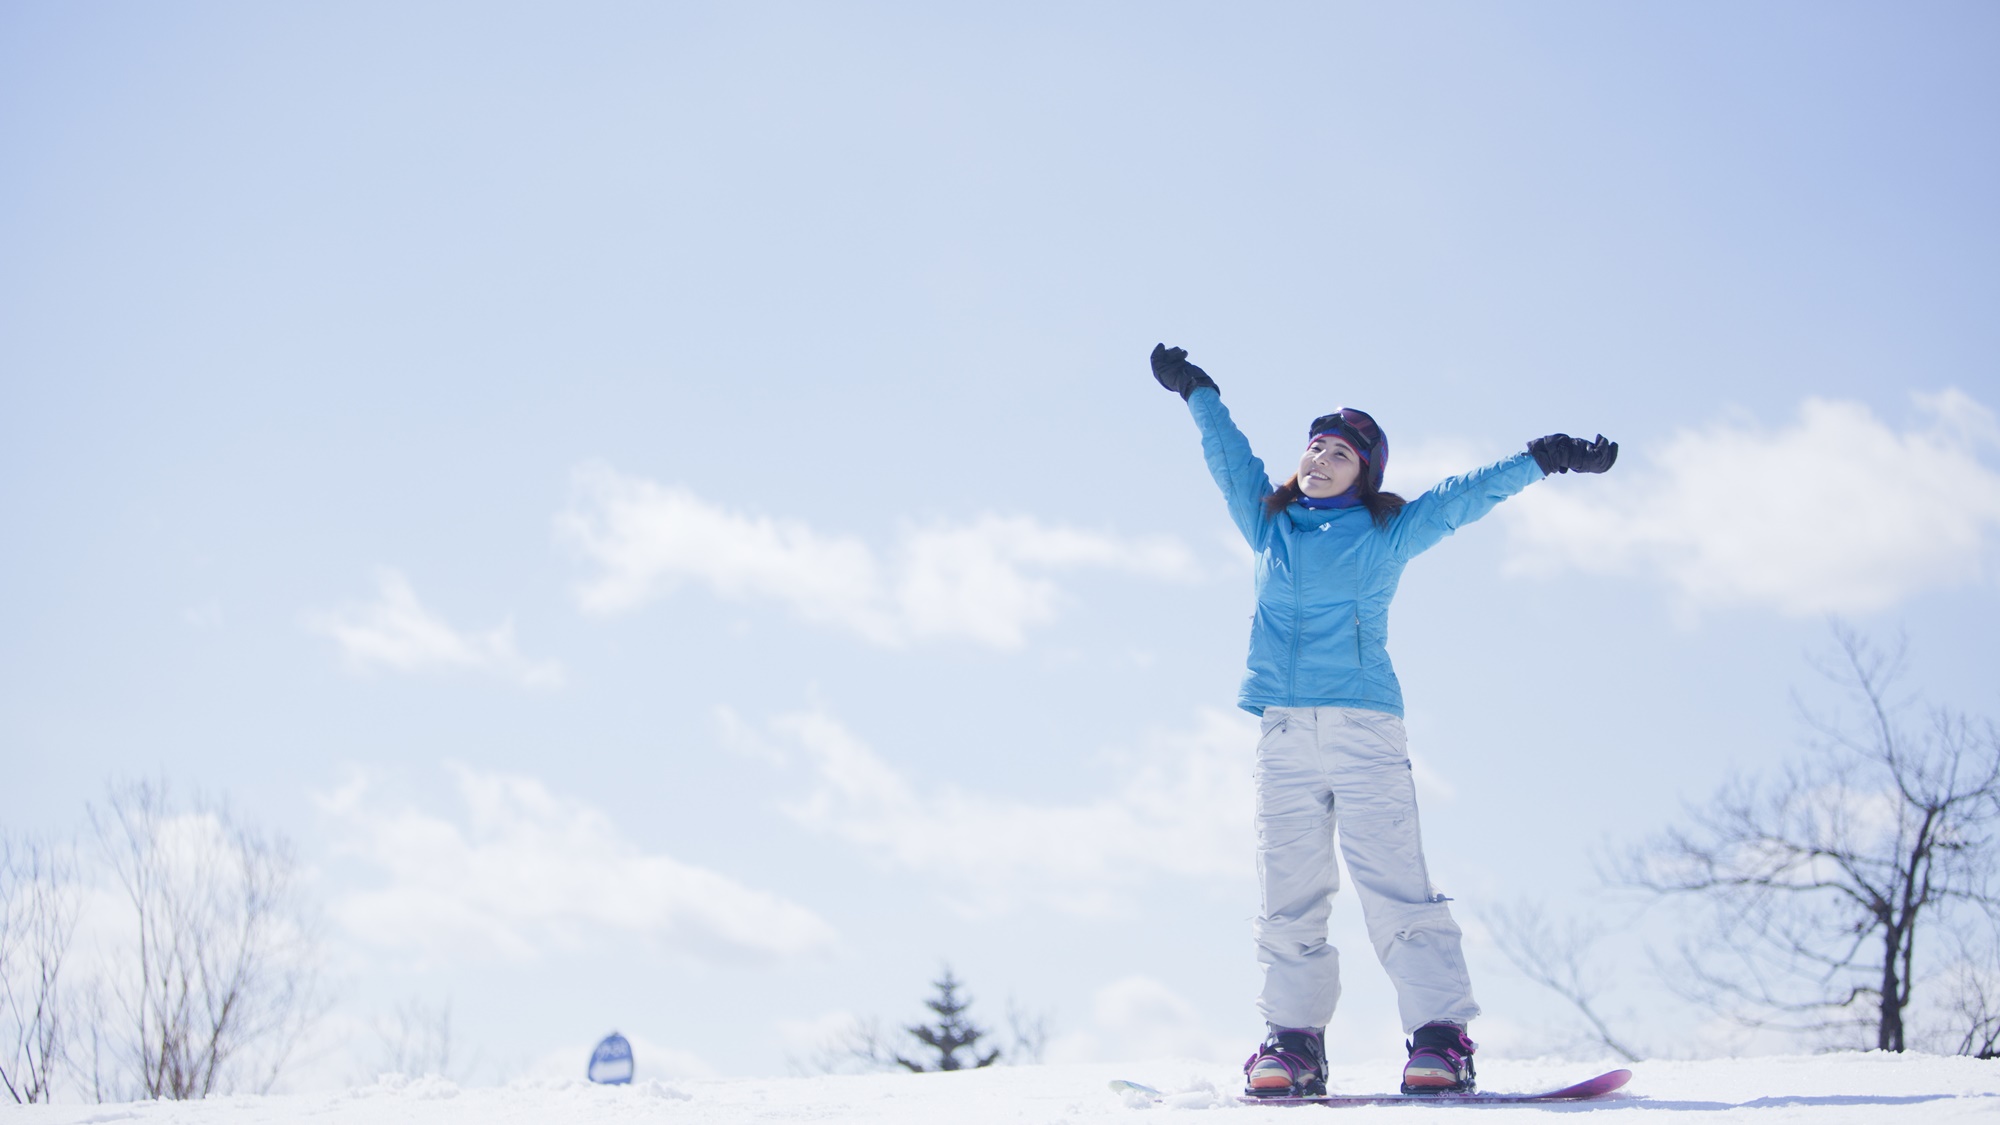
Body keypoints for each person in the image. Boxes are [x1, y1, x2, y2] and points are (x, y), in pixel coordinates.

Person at [1148, 343, 1617, 1098]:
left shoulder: (1384, 534)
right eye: (1314, 447)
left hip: (1366, 731)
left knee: (1397, 887)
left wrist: (1543, 458)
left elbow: (1464, 496)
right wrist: (1197, 390)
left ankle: (1440, 1036)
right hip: (1284, 735)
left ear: (1367, 472)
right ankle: (1293, 1043)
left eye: (1340, 452)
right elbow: (1229, 457)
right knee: (1288, 894)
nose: (1321, 458)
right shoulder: (1270, 528)